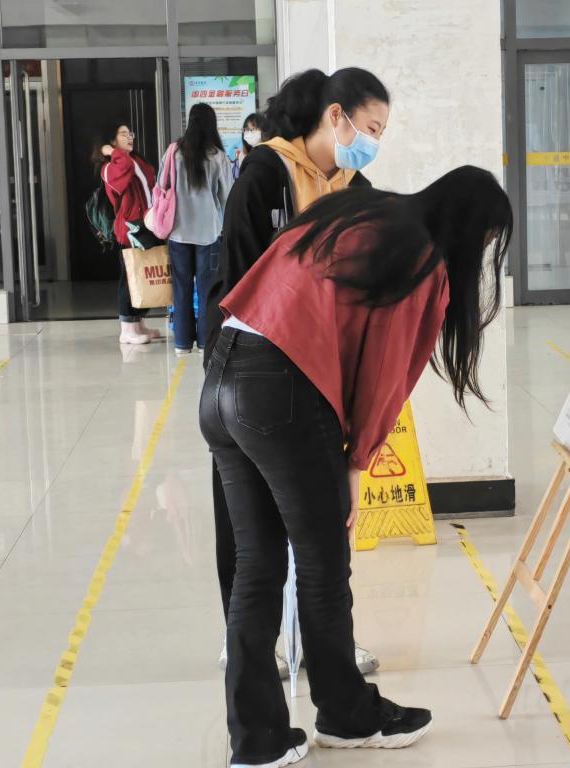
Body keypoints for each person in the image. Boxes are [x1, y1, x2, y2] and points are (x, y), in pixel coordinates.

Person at [199, 165, 513, 767]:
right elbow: (383, 374)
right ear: (470, 228)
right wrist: (357, 463)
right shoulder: (417, 254)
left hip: (222, 377)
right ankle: (346, 716)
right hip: (279, 389)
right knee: (322, 564)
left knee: (257, 566)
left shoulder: (359, 211)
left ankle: (257, 740)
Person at [204, 67, 390, 676]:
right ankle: (247, 641)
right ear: (335, 117)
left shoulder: (356, 188)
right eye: (370, 128)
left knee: (325, 523)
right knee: (251, 525)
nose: (374, 142)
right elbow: (235, 281)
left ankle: (323, 641)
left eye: (381, 132)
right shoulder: (265, 175)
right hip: (254, 375)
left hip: (322, 377)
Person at [167, 104, 233, 356]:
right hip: (209, 233)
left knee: (181, 288)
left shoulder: (173, 152)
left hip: (178, 231)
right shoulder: (218, 156)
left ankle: (182, 343)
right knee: (207, 290)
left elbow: (161, 185)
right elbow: (227, 196)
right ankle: (206, 341)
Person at [97, 123, 161, 345]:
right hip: (130, 229)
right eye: (123, 134)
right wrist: (111, 152)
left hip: (147, 225)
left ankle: (138, 324)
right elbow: (123, 168)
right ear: (112, 140)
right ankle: (126, 328)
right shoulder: (109, 168)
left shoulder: (136, 160)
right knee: (129, 278)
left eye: (130, 133)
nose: (129, 137)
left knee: (142, 276)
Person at [233, 113, 262, 178]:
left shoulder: (270, 154)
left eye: (253, 129)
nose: (249, 133)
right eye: (247, 130)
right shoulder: (242, 156)